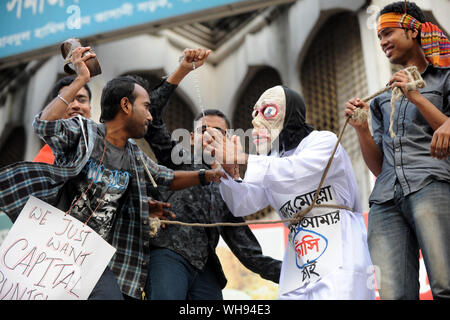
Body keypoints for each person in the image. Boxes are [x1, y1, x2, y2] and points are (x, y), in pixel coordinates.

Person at [0, 46, 225, 300]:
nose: (151, 116)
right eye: (147, 107)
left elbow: (167, 177)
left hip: (91, 257)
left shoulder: (134, 156)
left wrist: (209, 175)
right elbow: (44, 125)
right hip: (47, 248)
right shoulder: (84, 133)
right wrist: (82, 79)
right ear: (126, 105)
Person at [204, 85, 375, 300]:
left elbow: (296, 170)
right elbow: (244, 204)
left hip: (341, 246)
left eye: (267, 111)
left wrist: (244, 157)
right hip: (299, 257)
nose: (257, 120)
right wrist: (231, 173)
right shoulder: (272, 160)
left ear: (291, 112)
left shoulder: (323, 141)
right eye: (255, 113)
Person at [344, 1, 450, 299]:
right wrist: (362, 129)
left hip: (432, 186)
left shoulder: (445, 78)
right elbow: (379, 168)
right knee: (393, 296)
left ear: (413, 30)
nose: (382, 42)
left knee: (445, 285)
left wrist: (416, 97)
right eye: (378, 37)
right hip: (385, 201)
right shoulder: (382, 100)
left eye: (388, 32)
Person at [144, 105, 282, 300]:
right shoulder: (175, 160)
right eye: (203, 130)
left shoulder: (231, 189)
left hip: (206, 269)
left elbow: (249, 252)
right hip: (167, 255)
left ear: (229, 140)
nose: (211, 134)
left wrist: (294, 274)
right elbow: (154, 119)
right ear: (191, 138)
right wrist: (181, 73)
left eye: (219, 132)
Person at [33, 75, 92, 164]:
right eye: (68, 101)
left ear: (90, 108)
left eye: (82, 100)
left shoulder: (104, 142)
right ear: (56, 109)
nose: (76, 105)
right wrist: (82, 78)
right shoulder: (46, 156)